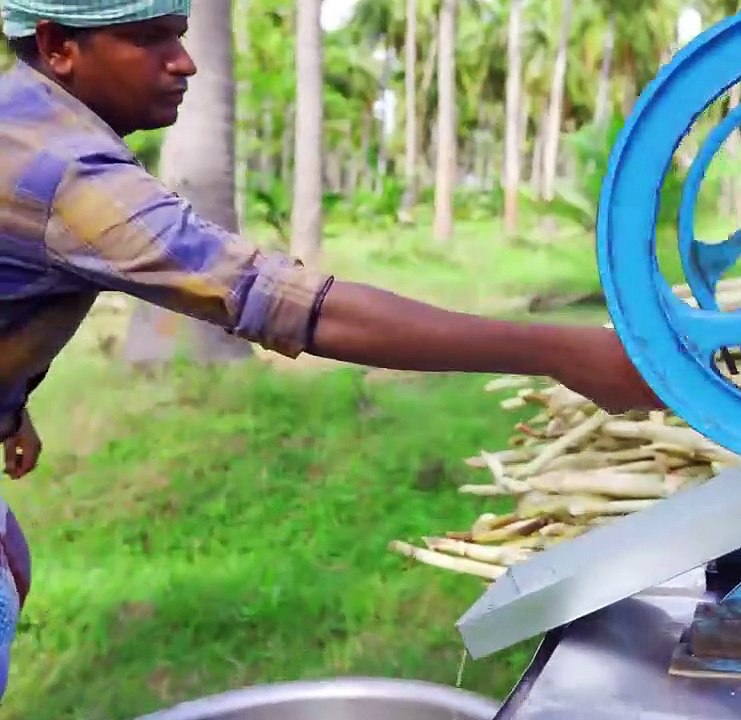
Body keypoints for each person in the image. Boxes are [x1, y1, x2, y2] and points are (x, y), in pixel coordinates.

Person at [0, 0, 664, 700]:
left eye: (183, 36)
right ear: (57, 44)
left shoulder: (23, 115)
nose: (184, 61)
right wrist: (560, 352)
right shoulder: (65, 168)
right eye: (149, 39)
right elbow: (276, 299)